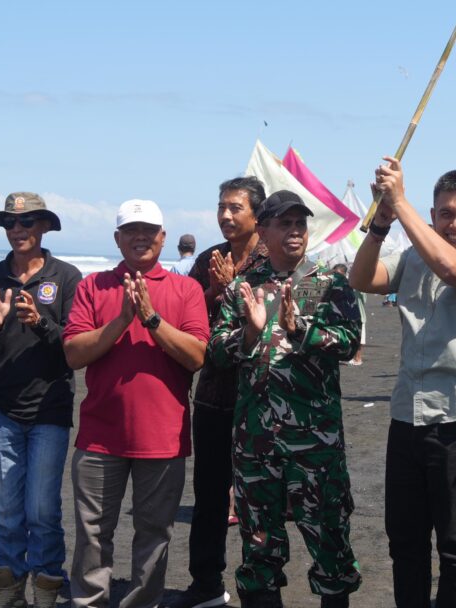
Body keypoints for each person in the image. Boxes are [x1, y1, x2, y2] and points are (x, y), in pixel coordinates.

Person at [349, 159, 456, 608]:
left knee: (455, 543)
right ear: (433, 214)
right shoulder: (413, 255)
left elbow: (453, 269)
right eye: (445, 213)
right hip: (407, 414)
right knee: (404, 540)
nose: (455, 223)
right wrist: (380, 225)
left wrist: (398, 202)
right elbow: (362, 278)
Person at [210, 190, 363, 608]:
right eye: (285, 223)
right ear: (263, 231)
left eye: (300, 223)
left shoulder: (330, 282)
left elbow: (350, 343)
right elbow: (217, 352)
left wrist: (304, 332)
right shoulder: (243, 287)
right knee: (259, 551)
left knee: (330, 546)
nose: (295, 231)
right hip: (257, 444)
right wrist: (250, 333)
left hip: (316, 446)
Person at [63, 199, 209, 608]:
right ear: (117, 238)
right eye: (131, 230)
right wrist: (122, 319)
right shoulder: (93, 286)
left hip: (163, 437)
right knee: (92, 533)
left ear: (163, 237)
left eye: (149, 230)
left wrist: (151, 318)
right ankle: (89, 602)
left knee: (154, 533)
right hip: (99, 437)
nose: (140, 237)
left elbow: (196, 356)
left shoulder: (186, 289)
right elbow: (74, 354)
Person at [0, 192, 80, 608]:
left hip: (49, 408)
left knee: (41, 509)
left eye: (27, 222)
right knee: (5, 507)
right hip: (2, 408)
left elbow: (76, 345)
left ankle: (48, 585)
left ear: (45, 226)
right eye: (10, 224)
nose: (17, 230)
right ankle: (10, 588)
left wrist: (43, 323)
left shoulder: (66, 277)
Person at [169, 176, 268, 608]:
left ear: (257, 214)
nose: (226, 215)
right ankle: (205, 583)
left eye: (235, 208)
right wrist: (213, 291)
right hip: (212, 395)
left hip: (262, 398)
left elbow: (268, 326)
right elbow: (191, 320)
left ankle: (260, 583)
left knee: (259, 497)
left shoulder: (273, 257)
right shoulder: (209, 258)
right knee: (209, 495)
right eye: (221, 207)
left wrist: (231, 292)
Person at [332, 263, 366, 366]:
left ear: (344, 273)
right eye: (334, 273)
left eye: (338, 274)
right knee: (342, 336)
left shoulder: (354, 284)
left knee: (360, 337)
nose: (336, 276)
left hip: (358, 314)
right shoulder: (335, 285)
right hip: (342, 315)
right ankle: (347, 357)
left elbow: (363, 296)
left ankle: (358, 358)